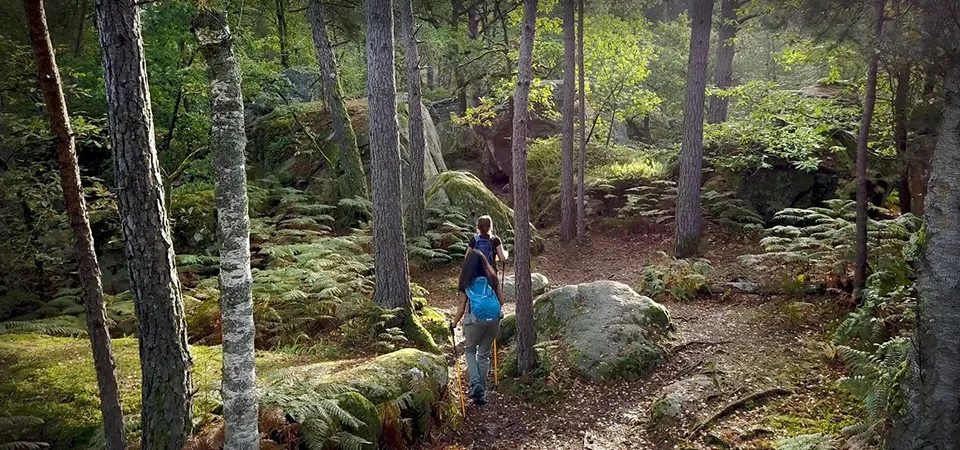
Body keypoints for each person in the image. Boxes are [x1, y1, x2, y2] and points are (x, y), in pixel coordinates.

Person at [451, 249, 503, 406]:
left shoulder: (466, 282)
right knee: (484, 354)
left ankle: (475, 384)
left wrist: (454, 324)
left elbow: (461, 307)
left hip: (476, 320)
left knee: (469, 351)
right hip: (494, 319)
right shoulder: (492, 278)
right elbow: (501, 301)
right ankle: (482, 393)